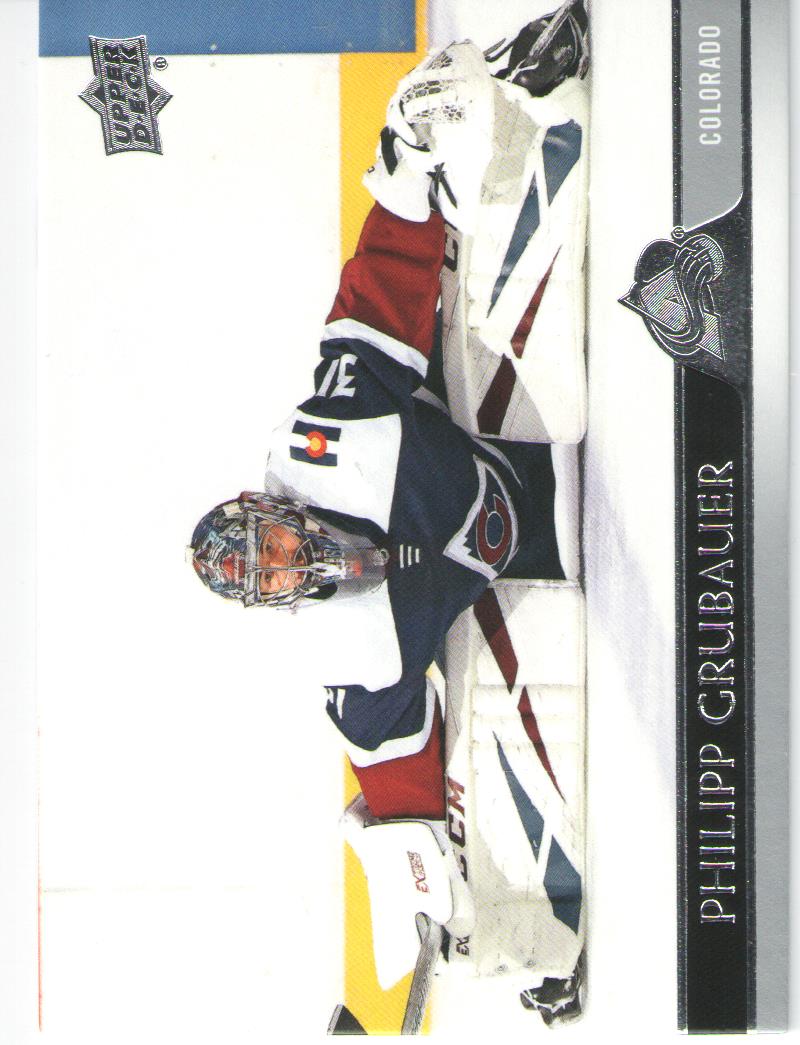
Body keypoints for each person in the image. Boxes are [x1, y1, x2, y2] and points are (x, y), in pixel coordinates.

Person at [188, 20, 586, 825]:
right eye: (268, 577)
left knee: (461, 268)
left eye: (269, 545)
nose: (285, 564)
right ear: (270, 601)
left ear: (270, 507)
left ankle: (520, 105)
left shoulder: (330, 439)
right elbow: (406, 798)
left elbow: (377, 293)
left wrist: (407, 162)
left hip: (515, 431)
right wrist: (416, 864)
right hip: (552, 570)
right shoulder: (352, 670)